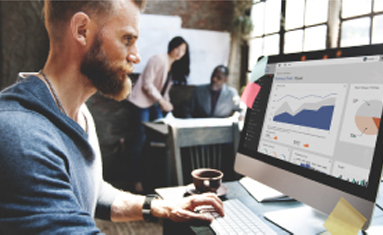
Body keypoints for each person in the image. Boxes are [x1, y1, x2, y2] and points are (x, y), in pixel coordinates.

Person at [0, 0, 223, 233]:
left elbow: (95, 192)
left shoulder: (81, 113)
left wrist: (160, 206)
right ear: (81, 31)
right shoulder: (20, 134)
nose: (136, 56)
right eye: (128, 39)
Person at [127, 36, 190, 192]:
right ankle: (136, 180)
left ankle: (153, 179)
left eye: (183, 51)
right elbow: (147, 84)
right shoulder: (158, 59)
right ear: (172, 46)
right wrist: (162, 101)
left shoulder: (172, 66)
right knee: (140, 141)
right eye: (178, 48)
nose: (180, 53)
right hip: (141, 103)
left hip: (154, 103)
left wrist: (167, 105)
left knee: (159, 139)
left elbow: (164, 90)